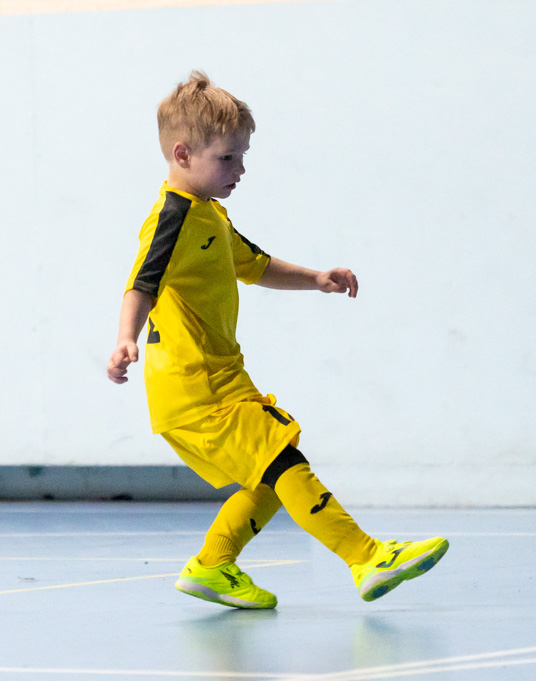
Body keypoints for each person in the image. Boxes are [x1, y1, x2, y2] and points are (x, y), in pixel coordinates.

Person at [106, 71, 448, 608]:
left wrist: (316, 278)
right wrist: (125, 337)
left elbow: (256, 265)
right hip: (194, 388)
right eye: (227, 158)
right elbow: (141, 283)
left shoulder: (209, 215)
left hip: (221, 380)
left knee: (269, 476)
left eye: (243, 156)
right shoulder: (172, 218)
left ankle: (212, 565)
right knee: (284, 460)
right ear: (182, 154)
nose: (240, 169)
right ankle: (366, 557)